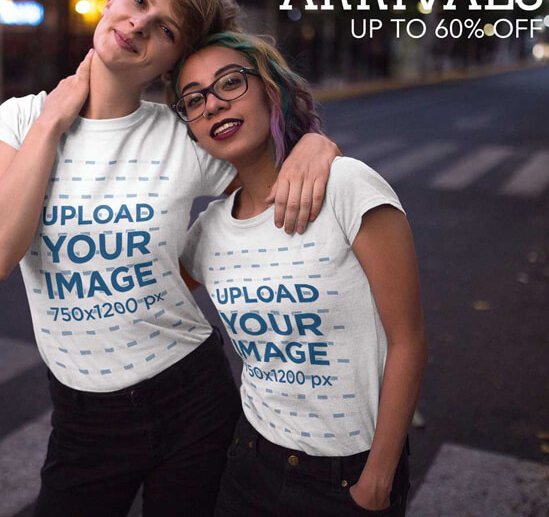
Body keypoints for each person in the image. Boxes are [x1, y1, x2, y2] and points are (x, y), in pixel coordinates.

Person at [0, 0, 341, 517]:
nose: (139, 24)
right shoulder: (21, 120)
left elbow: (281, 153)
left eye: (164, 28)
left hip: (191, 397)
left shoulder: (182, 136)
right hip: (83, 418)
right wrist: (52, 123)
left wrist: (316, 142)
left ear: (172, 61)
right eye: (138, 1)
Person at [176, 32, 428, 517]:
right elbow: (153, 295)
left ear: (273, 91)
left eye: (230, 83)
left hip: (345, 479)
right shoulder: (209, 231)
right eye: (193, 100)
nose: (211, 105)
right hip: (249, 463)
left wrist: (376, 480)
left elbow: (409, 340)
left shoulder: (347, 186)